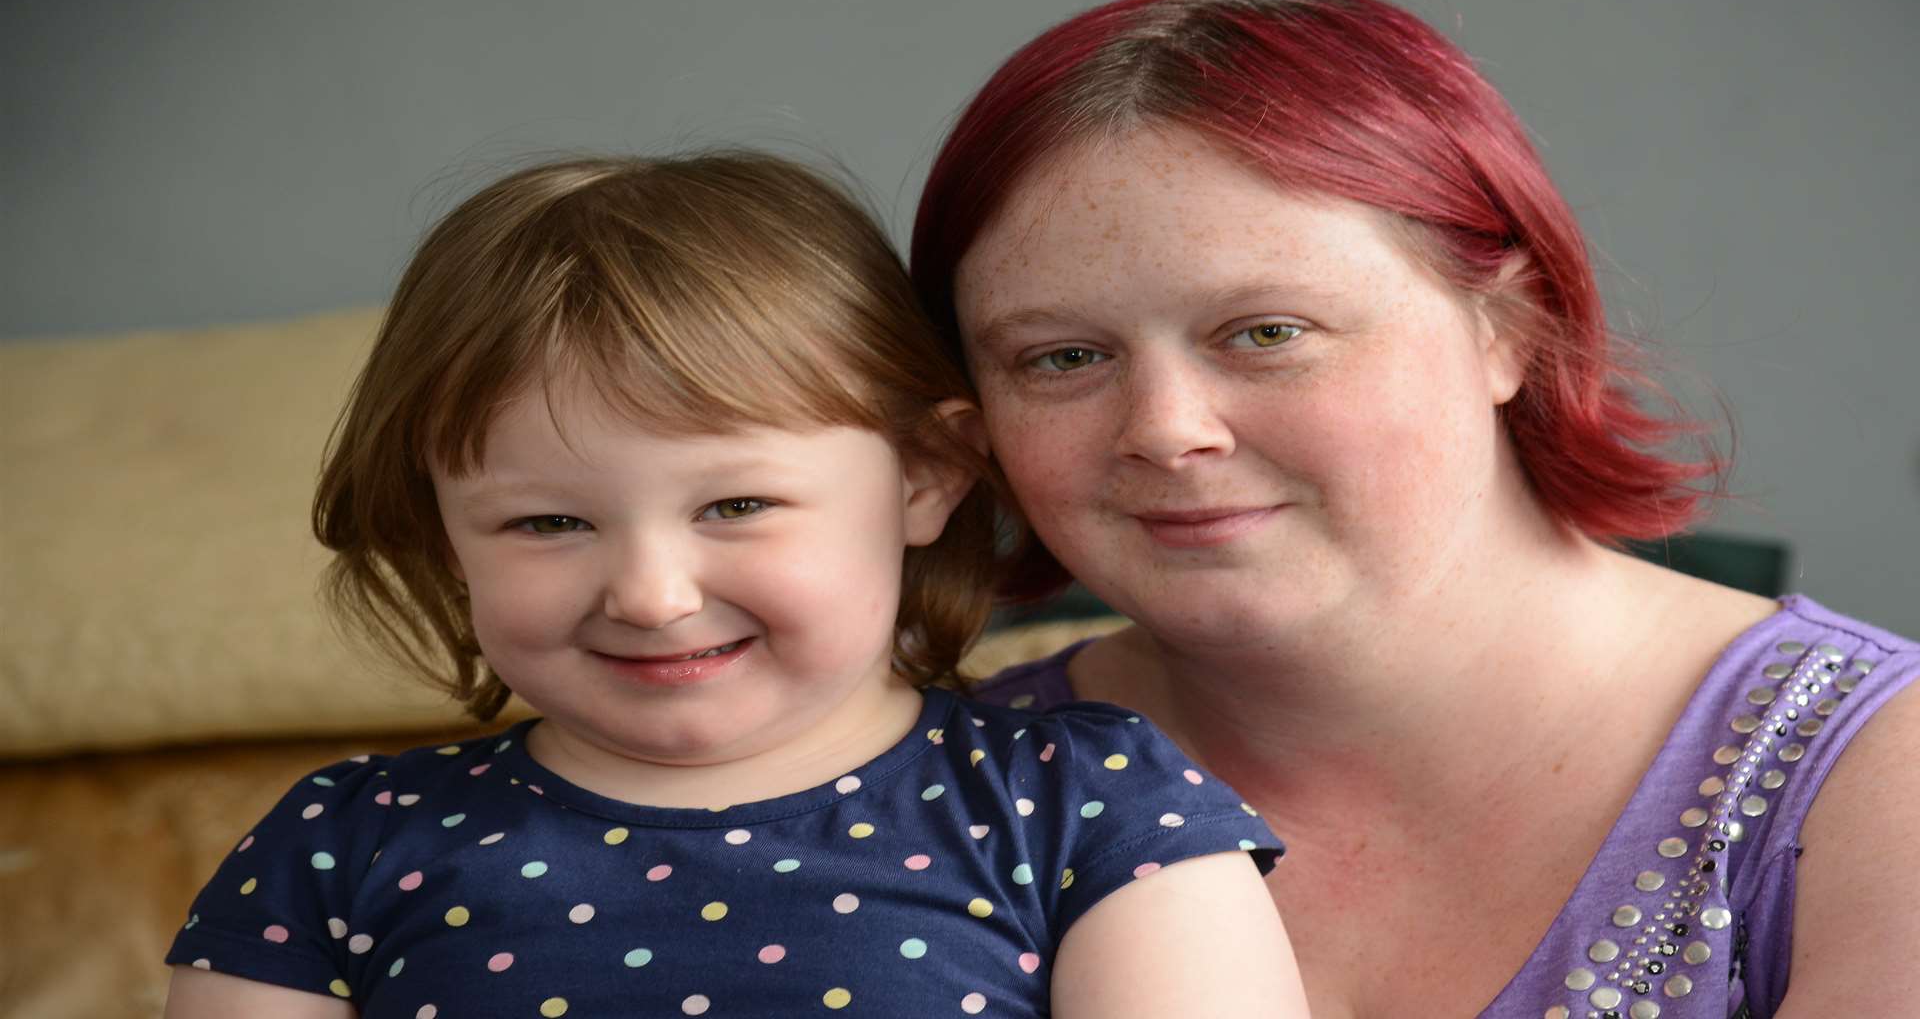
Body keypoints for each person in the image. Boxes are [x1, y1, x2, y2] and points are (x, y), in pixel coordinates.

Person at [912, 0, 1920, 1019]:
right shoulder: (923, 789)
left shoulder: (1876, 780)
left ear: (1508, 330)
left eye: (1268, 332)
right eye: (1063, 356)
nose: (1166, 429)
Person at [160, 152, 1309, 1018]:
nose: (651, 594)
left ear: (926, 474)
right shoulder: (343, 845)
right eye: (548, 521)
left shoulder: (1088, 807)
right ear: (443, 536)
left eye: (735, 506)